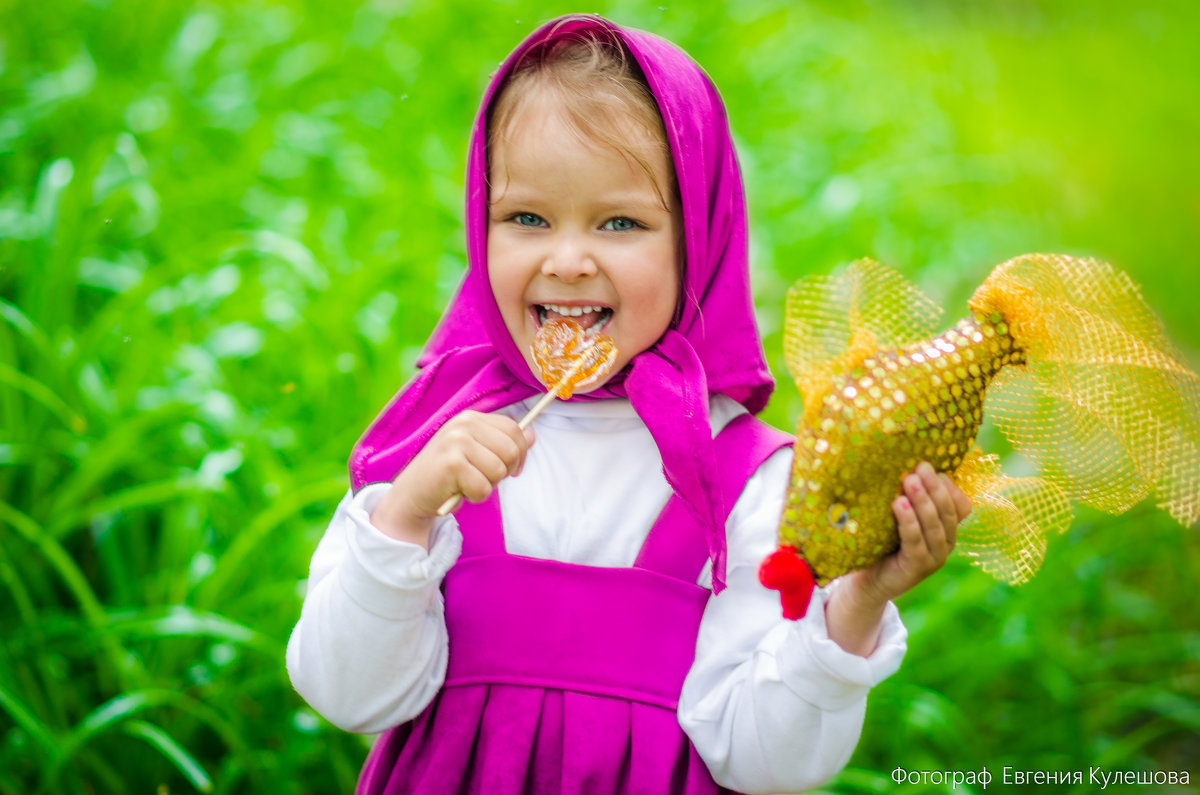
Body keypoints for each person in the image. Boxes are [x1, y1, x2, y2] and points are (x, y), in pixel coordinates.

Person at [286, 13, 971, 795]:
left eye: (621, 223)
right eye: (526, 218)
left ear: (700, 241)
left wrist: (853, 605)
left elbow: (765, 762)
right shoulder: (440, 446)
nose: (568, 259)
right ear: (482, 229)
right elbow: (345, 694)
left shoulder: (748, 484)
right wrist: (405, 517)